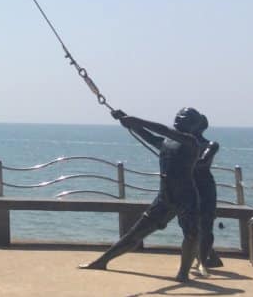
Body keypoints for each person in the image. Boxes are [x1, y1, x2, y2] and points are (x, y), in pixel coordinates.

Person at [80, 107, 209, 281]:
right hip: (165, 197)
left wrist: (136, 121)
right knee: (136, 232)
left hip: (187, 197)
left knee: (191, 234)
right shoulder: (166, 142)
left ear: (192, 124)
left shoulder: (190, 141)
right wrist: (127, 121)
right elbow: (148, 136)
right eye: (178, 115)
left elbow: (162, 130)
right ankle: (102, 261)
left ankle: (183, 273)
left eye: (184, 117)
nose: (179, 118)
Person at [195, 135, 223, 269]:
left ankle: (204, 259)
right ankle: (210, 256)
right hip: (190, 186)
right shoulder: (182, 142)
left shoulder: (211, 144)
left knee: (205, 225)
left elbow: (202, 161)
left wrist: (181, 161)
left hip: (205, 188)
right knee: (191, 225)